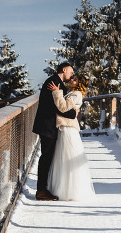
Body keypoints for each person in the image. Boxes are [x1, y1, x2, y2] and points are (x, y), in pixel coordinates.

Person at [32, 62, 78, 201]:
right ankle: (41, 191)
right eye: (70, 72)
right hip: (47, 125)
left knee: (48, 157)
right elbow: (58, 108)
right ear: (64, 70)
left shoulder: (57, 82)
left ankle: (45, 188)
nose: (71, 75)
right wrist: (73, 114)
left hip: (49, 125)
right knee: (46, 158)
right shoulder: (53, 82)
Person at [47, 74, 96, 201]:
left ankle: (71, 191)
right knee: (63, 157)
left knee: (67, 157)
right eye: (72, 78)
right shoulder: (71, 93)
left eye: (75, 80)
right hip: (65, 126)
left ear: (80, 84)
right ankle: (63, 188)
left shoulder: (76, 94)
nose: (71, 80)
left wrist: (56, 92)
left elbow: (63, 107)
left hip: (68, 128)